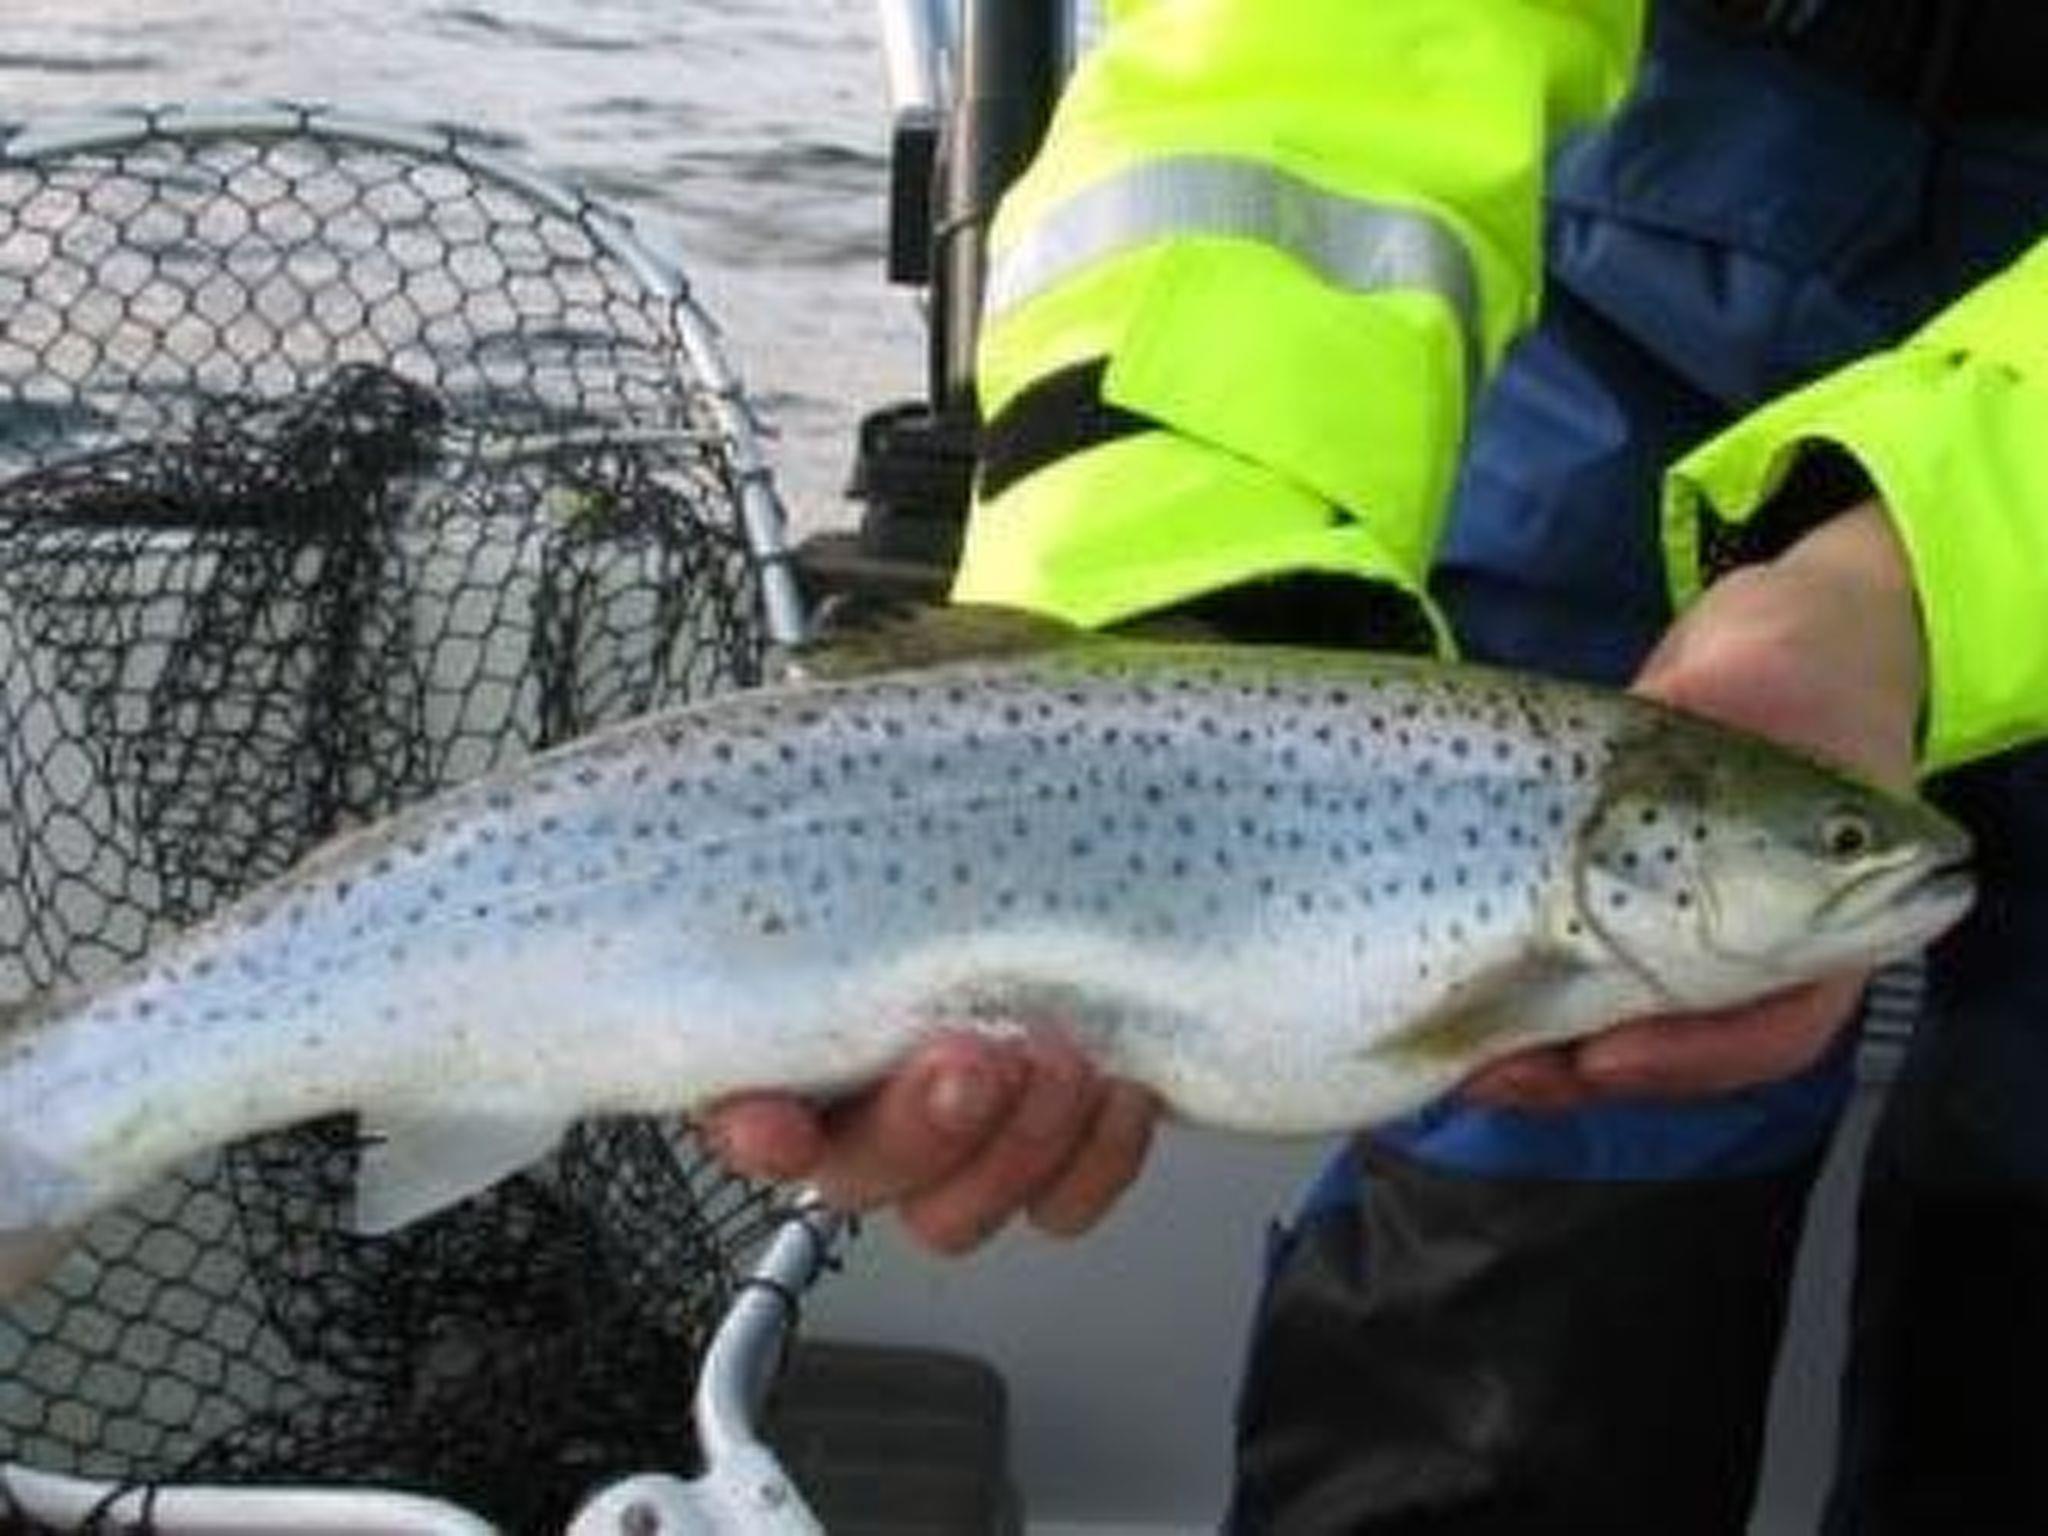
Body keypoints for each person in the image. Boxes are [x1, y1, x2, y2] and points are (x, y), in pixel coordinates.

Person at [710, 1, 2048, 1529]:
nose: (1861, 857)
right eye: (1834, 846)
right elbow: (1308, 61)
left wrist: (1903, 577)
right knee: (1509, 1283)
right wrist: (1193, 588)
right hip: (1621, 224)